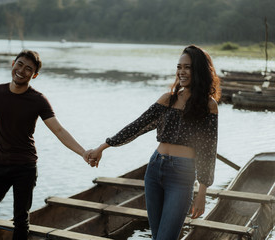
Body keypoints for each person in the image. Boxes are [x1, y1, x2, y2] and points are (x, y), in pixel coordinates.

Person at [85, 45, 220, 240]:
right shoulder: (167, 100)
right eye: (179, 67)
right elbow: (136, 126)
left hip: (182, 175)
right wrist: (103, 146)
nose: (181, 72)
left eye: (187, 67)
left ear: (198, 70)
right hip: (155, 169)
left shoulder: (209, 106)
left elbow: (208, 151)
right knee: (157, 236)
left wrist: (202, 193)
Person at [0, 50, 89, 240]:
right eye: (19, 64)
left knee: (21, 220)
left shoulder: (38, 100)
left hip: (25, 168)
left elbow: (59, 130)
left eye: (28, 69)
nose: (22, 71)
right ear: (13, 64)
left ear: (34, 75)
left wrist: (83, 152)